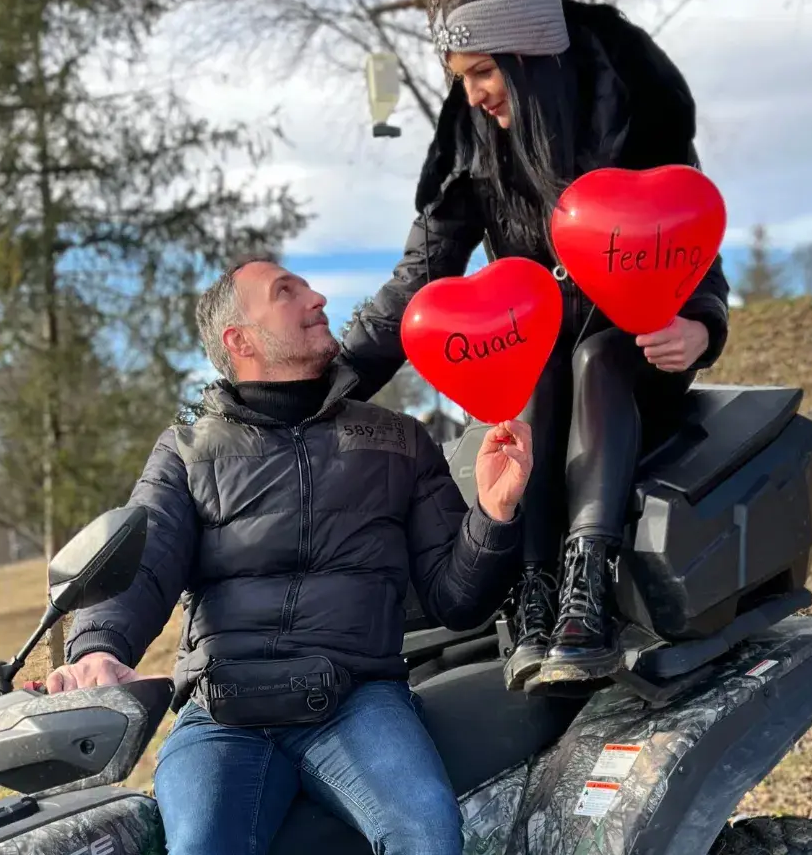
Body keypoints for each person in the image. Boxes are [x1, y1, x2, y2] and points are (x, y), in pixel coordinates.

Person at [45, 256, 534, 855]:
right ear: (240, 340)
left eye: (308, 286)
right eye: (287, 292)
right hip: (222, 709)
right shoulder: (186, 450)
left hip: (357, 698)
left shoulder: (398, 439)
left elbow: (456, 600)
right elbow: (143, 562)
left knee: (426, 832)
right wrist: (98, 647)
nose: (317, 298)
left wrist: (493, 513)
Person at [337, 0, 733, 692]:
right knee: (542, 360)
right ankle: (535, 592)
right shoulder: (471, 147)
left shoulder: (635, 121)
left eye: (483, 72)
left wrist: (701, 325)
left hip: (635, 354)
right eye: (461, 78)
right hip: (541, 358)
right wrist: (332, 381)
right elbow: (418, 278)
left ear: (530, 56)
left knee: (595, 356)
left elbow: (690, 239)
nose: (473, 95)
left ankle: (587, 591)